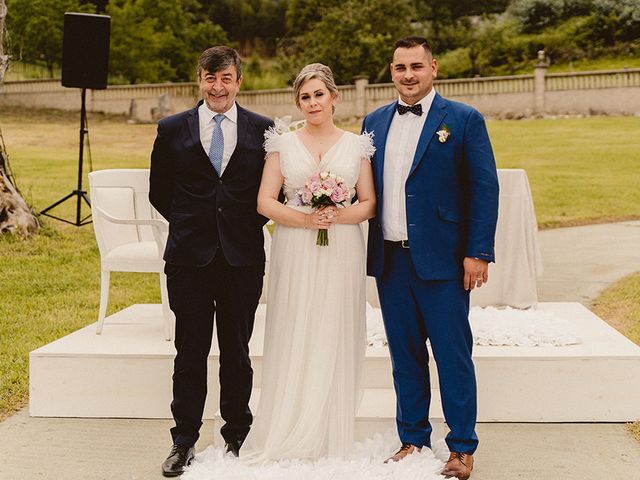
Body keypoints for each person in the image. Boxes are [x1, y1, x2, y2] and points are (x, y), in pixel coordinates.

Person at [362, 36, 499, 480]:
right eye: (400, 67)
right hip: (390, 259)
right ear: (391, 70)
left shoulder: (462, 119)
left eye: (416, 66)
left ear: (433, 67)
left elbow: (483, 188)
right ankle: (412, 439)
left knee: (452, 354)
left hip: (443, 260)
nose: (408, 75)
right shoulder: (375, 121)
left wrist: (477, 252)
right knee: (404, 356)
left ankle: (461, 447)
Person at [149, 46, 274, 477]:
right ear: (198, 79)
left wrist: (239, 225)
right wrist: (193, 223)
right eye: (210, 77)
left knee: (237, 351)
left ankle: (237, 435)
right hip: (189, 258)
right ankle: (183, 440)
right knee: (190, 352)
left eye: (226, 78)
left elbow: (269, 191)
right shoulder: (171, 129)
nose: (217, 87)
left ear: (239, 81)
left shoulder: (264, 129)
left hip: (242, 257)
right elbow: (159, 192)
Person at [242, 62, 376, 460]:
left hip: (342, 248)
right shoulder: (282, 144)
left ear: (334, 97)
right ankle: (288, 423)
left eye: (319, 94)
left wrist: (334, 215)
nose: (313, 102)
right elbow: (265, 201)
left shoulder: (357, 145)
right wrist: (305, 219)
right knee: (296, 324)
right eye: (305, 96)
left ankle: (329, 430)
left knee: (333, 327)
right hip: (295, 247)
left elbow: (368, 203)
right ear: (298, 102)